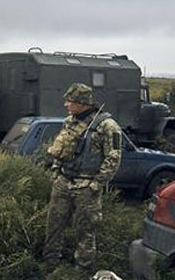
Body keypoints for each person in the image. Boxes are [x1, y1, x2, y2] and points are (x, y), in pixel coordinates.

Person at [43, 83, 123, 269]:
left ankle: (82, 270)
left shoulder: (107, 126)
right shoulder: (69, 121)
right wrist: (56, 172)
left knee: (85, 230)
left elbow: (113, 158)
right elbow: (61, 149)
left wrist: (96, 184)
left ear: (82, 103)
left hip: (86, 187)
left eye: (69, 101)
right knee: (54, 224)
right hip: (63, 182)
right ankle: (50, 263)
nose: (66, 105)